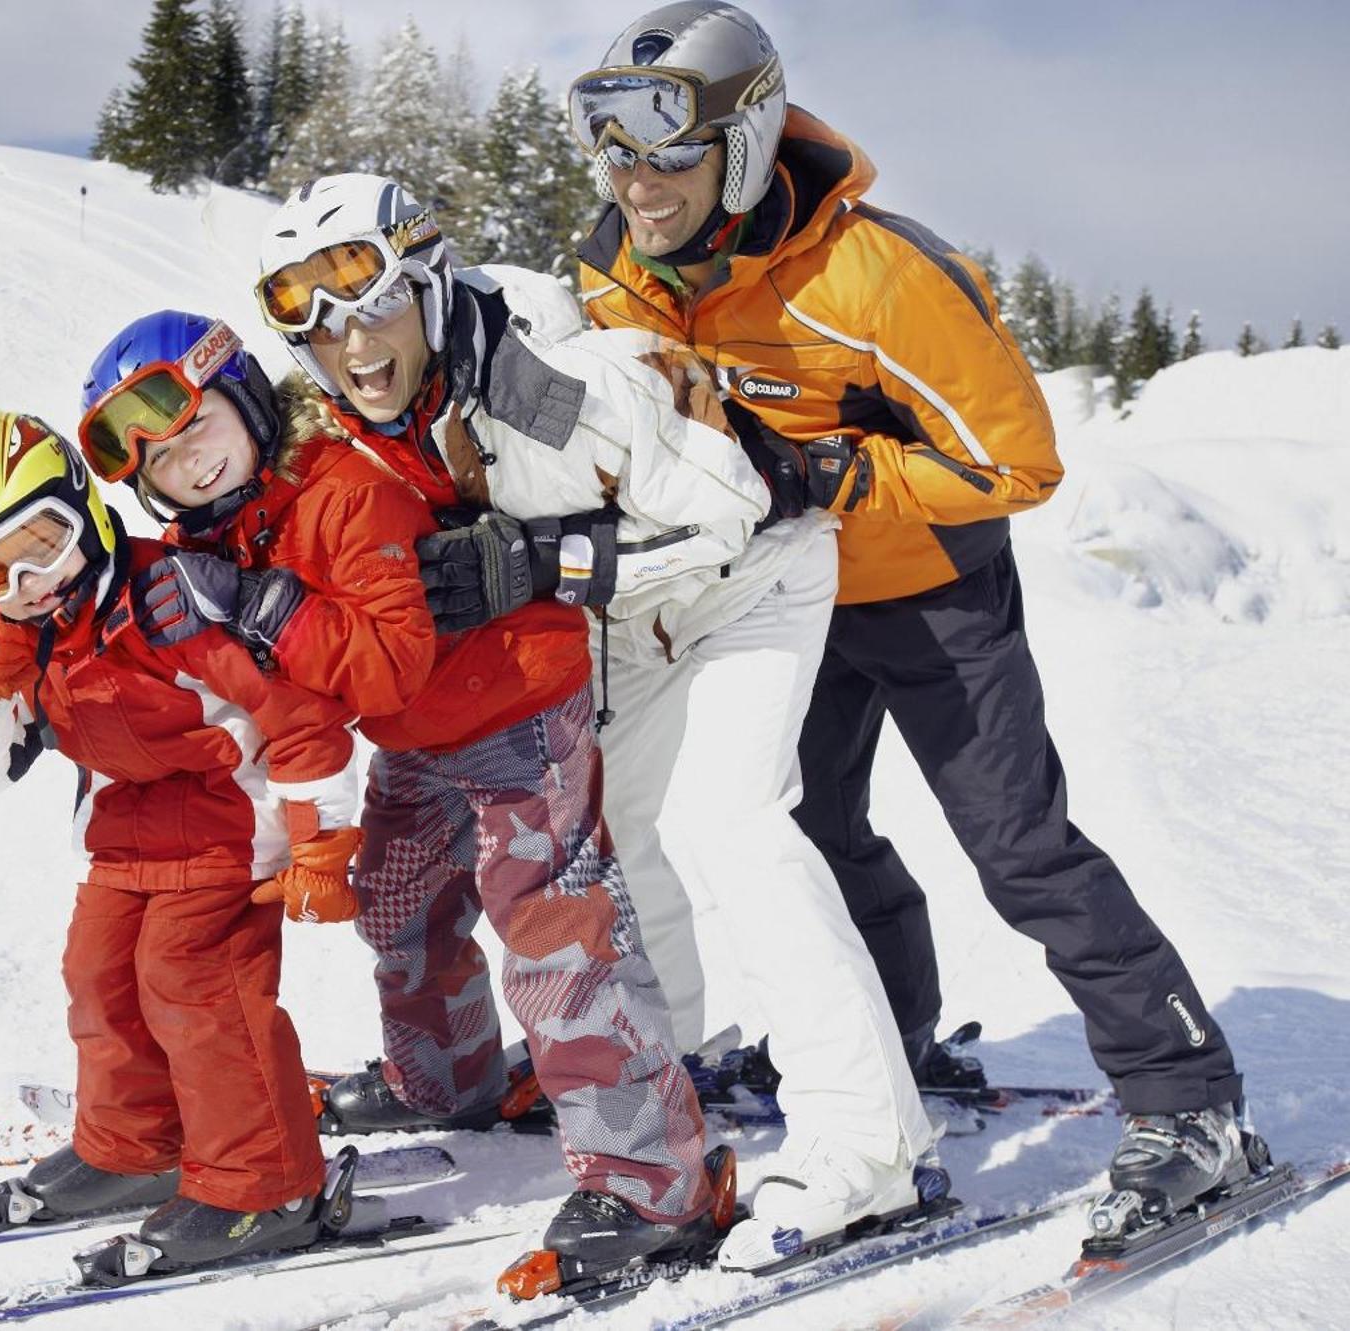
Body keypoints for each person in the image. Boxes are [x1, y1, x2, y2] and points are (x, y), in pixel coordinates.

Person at [570, 0, 1252, 1215]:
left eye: (666, 146)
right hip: (788, 591)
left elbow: (1016, 466)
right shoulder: (623, 269)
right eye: (610, 146)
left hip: (933, 590)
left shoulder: (880, 277)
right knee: (808, 831)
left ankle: (1186, 1094)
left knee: (1019, 847)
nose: (635, 178)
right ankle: (887, 1038)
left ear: (741, 137)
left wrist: (834, 476)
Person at [261, 172, 936, 1270]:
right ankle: (656, 1078)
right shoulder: (368, 414)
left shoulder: (549, 385)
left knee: (731, 824)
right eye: (314, 321)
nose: (351, 343)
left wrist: (541, 560)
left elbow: (737, 512)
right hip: (625, 618)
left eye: (371, 301)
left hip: (746, 580)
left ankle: (871, 1143)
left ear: (427, 284)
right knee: (608, 828)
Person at [77, 306, 722, 1274]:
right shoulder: (231, 528)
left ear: (245, 403)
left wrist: (259, 605)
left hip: (511, 709)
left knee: (553, 933)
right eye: (160, 463)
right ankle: (447, 1079)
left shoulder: (339, 491)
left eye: (198, 429)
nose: (190, 464)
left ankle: (651, 1182)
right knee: (395, 900)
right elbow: (301, 688)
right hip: (418, 732)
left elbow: (379, 660)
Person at [0, 411, 364, 1266]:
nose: (28, 581)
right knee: (100, 976)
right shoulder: (17, 641)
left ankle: (267, 1184)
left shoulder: (174, 596)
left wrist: (321, 840)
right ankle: (134, 1148)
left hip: (230, 822)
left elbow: (296, 713)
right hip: (122, 834)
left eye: (43, 540)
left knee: (195, 985)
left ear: (85, 505)